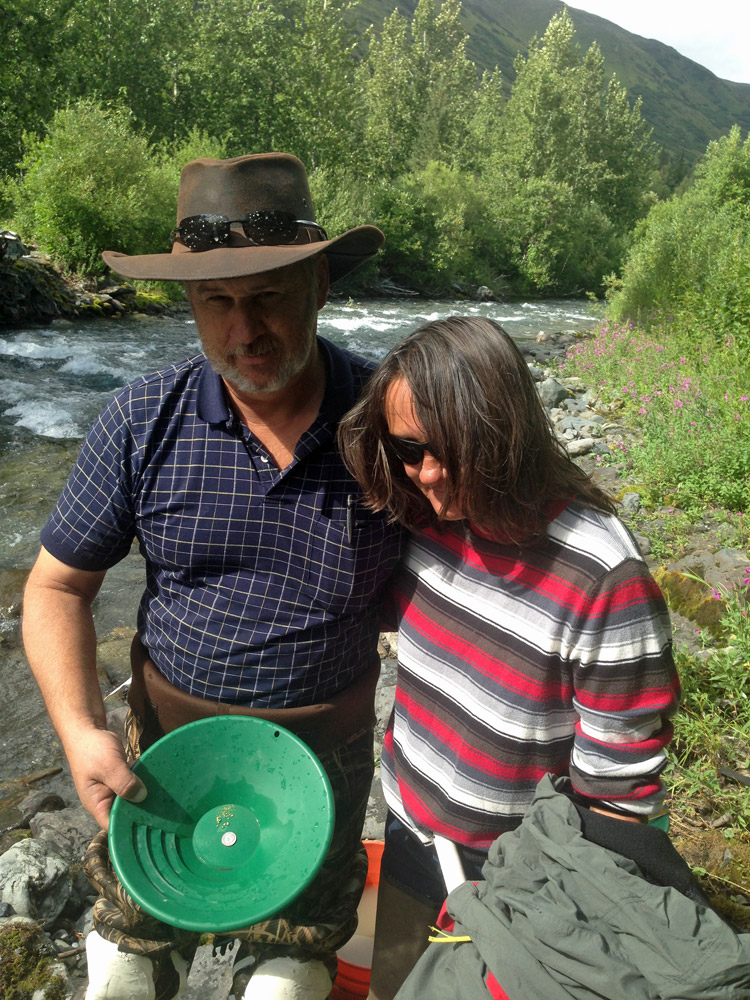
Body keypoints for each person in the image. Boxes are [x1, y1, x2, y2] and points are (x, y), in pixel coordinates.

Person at [22, 152, 403, 1000]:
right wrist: (82, 733)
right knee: (122, 970)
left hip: (324, 767)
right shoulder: (138, 420)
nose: (244, 330)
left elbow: (467, 571)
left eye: (267, 294)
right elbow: (55, 589)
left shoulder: (387, 424)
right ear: (188, 303)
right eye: (215, 301)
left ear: (319, 287)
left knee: (291, 976)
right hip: (162, 765)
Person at [337, 316, 681, 1000]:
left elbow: (618, 798)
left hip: (517, 879)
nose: (428, 474)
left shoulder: (603, 576)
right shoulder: (422, 522)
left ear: (506, 438)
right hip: (409, 834)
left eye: (453, 451)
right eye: (408, 449)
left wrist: (544, 919)